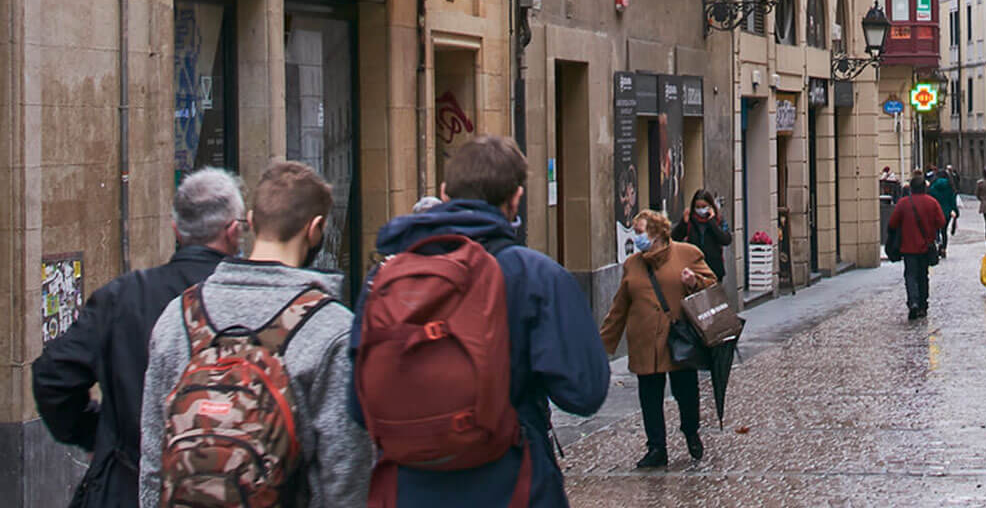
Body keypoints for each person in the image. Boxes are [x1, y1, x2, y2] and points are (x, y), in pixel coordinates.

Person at [357, 135, 610, 503]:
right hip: (514, 482)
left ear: (444, 193)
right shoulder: (537, 276)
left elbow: (357, 402)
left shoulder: (383, 278)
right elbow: (584, 391)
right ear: (515, 199)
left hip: (408, 489)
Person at [139, 160, 370, 508]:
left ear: (249, 221)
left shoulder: (179, 317)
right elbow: (345, 473)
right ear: (316, 230)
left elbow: (153, 460)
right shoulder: (330, 328)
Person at [34, 169, 244, 508]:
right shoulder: (258, 305)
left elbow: (53, 376)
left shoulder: (125, 297)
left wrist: (101, 435)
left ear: (176, 229)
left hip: (126, 483)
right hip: (238, 488)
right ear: (235, 231)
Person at [601, 209, 717, 467]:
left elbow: (712, 285)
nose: (637, 237)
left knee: (685, 391)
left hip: (678, 339)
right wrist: (601, 345)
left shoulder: (686, 253)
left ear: (657, 231)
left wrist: (694, 280)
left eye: (640, 231)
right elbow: (619, 307)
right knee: (649, 396)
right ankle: (656, 448)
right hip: (644, 342)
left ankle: (691, 432)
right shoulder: (633, 264)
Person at [885, 175, 948, 320]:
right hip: (926, 246)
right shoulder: (932, 202)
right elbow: (941, 222)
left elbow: (893, 223)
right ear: (924, 188)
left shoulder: (903, 203)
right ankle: (922, 305)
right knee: (923, 276)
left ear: (911, 188)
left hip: (908, 247)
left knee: (910, 275)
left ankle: (913, 301)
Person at [671, 188, 733, 285]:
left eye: (704, 206)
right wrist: (683, 223)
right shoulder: (690, 220)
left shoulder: (718, 220)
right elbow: (674, 238)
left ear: (710, 206)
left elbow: (726, 240)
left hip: (714, 269)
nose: (701, 210)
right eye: (698, 207)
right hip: (694, 269)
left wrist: (712, 222)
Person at [927, 167, 959, 254]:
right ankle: (944, 248)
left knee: (936, 230)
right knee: (944, 230)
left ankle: (938, 242)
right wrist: (955, 211)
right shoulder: (950, 186)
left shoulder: (932, 186)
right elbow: (952, 200)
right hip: (947, 212)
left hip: (935, 212)